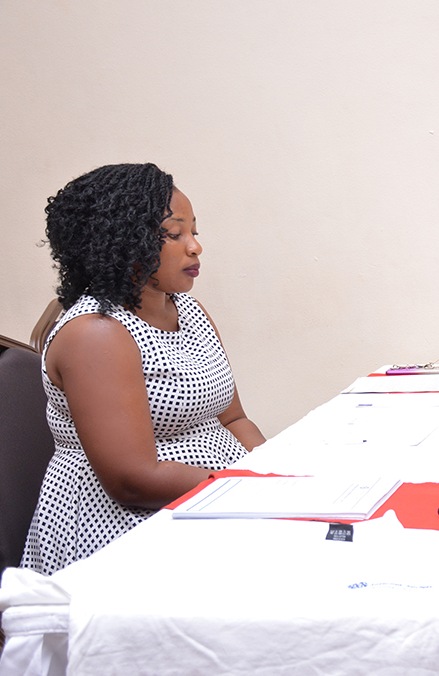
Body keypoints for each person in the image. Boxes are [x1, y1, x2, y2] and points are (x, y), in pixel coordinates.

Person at [22, 163, 266, 576]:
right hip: (125, 530)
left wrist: (275, 471)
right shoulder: (96, 334)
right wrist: (248, 490)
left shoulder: (188, 309)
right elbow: (133, 479)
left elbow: (234, 417)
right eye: (174, 234)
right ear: (122, 240)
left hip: (215, 498)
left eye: (195, 233)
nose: (194, 247)